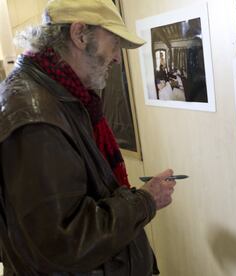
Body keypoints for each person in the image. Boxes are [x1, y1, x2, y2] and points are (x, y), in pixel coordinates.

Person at [0, 0, 176, 275]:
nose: (117, 57)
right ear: (80, 34)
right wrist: (145, 200)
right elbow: (65, 241)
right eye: (114, 42)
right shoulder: (36, 117)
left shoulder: (60, 96)